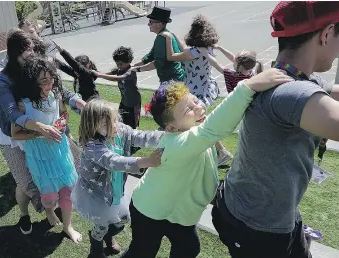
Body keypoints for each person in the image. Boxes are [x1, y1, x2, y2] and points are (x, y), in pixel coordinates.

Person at [211, 2, 339, 258]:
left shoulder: (294, 77)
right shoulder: (290, 93)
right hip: (256, 227)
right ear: (327, 33)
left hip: (264, 211)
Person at [122, 69, 292, 258]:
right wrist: (247, 87)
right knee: (142, 253)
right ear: (171, 128)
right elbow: (214, 128)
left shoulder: (194, 137)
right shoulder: (177, 143)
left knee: (188, 249)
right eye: (188, 109)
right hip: (149, 210)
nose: (198, 107)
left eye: (195, 100)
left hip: (179, 214)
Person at [0, 28, 84, 235]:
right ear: (14, 52)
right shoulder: (4, 79)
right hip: (14, 135)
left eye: (34, 46)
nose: (33, 52)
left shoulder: (35, 67)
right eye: (27, 49)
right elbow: (11, 113)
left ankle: (60, 209)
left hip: (46, 131)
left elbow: (59, 91)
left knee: (66, 170)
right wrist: (41, 127)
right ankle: (26, 214)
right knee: (26, 183)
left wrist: (78, 102)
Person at [71, 99, 164, 257]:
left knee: (122, 220)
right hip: (97, 195)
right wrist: (145, 161)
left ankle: (106, 235)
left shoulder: (119, 130)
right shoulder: (92, 145)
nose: (114, 126)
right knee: (102, 225)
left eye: (114, 120)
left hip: (114, 188)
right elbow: (112, 161)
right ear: (92, 126)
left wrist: (165, 135)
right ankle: (96, 248)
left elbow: (139, 136)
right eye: (105, 124)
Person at [11, 57, 81, 243]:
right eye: (44, 81)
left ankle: (68, 226)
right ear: (32, 81)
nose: (49, 84)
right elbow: (15, 133)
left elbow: (63, 112)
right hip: (39, 155)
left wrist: (61, 122)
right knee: (49, 196)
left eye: (51, 80)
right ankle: (49, 211)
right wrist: (42, 133)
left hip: (60, 150)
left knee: (68, 190)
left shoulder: (55, 95)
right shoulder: (23, 104)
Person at [160, 14, 233, 166]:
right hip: (206, 88)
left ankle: (219, 152)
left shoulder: (192, 52)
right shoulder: (205, 49)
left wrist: (168, 39)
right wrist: (174, 35)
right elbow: (185, 50)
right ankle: (221, 152)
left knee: (196, 124)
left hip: (195, 92)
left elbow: (172, 57)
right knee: (199, 122)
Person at [131, 6, 185, 84]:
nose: (148, 24)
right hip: (174, 79)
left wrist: (137, 69)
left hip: (172, 81)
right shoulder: (163, 35)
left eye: (151, 22)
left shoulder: (162, 38)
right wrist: (132, 65)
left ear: (159, 24)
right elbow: (150, 56)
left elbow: (158, 63)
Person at [94, 46, 141, 130]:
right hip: (124, 102)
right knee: (120, 121)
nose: (119, 66)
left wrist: (100, 75)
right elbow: (110, 73)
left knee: (132, 126)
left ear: (129, 61)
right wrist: (97, 74)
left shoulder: (131, 71)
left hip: (133, 104)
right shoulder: (120, 69)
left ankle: (132, 140)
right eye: (117, 64)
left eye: (121, 64)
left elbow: (118, 78)